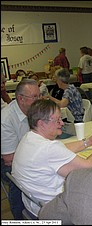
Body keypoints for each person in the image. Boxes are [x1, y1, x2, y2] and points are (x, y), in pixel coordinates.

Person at [12, 99, 92, 217]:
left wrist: (87, 142)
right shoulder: (49, 149)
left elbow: (61, 148)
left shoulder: (29, 138)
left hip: (33, 205)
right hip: (53, 210)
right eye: (57, 120)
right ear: (41, 123)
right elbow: (89, 167)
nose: (62, 123)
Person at [1, 79, 40, 219]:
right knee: (18, 181)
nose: (39, 100)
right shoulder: (6, 119)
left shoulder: (33, 110)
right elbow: (9, 159)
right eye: (34, 97)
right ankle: (20, 217)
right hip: (7, 162)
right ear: (21, 99)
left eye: (39, 95)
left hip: (28, 154)